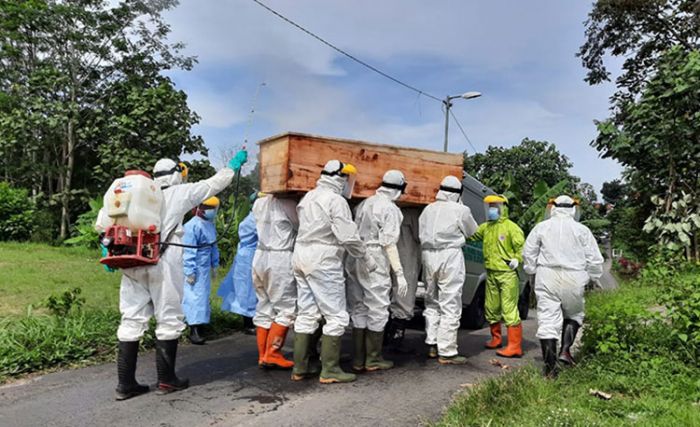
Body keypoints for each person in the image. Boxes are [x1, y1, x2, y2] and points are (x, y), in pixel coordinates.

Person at [109, 149, 247, 401]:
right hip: (163, 262)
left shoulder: (132, 194)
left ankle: (125, 384)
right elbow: (212, 184)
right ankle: (166, 379)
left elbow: (104, 223)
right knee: (169, 317)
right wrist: (233, 167)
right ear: (175, 175)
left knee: (131, 319)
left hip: (130, 260)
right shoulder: (179, 192)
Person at [291, 159, 377, 384]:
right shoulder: (336, 201)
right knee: (337, 315)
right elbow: (348, 236)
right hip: (323, 258)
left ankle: (301, 367)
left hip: (300, 254)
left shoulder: (308, 197)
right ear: (341, 178)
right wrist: (366, 257)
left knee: (307, 313)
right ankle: (330, 369)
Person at [523, 195, 604, 377]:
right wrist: (591, 277)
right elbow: (595, 259)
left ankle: (550, 371)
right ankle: (565, 351)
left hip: (547, 275)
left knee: (547, 321)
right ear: (572, 209)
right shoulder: (582, 230)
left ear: (553, 208)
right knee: (574, 314)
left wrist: (531, 270)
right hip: (574, 276)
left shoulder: (541, 228)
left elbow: (528, 253)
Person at [346, 170, 409, 373]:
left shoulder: (364, 204)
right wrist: (399, 273)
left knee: (359, 306)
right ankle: (373, 358)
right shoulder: (390, 209)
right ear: (399, 189)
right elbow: (389, 244)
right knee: (378, 306)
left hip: (357, 256)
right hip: (376, 257)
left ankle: (358, 359)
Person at [419, 175, 478, 365]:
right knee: (450, 302)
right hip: (450, 255)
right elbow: (472, 231)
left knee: (431, 301)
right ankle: (447, 351)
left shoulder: (428, 209)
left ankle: (431, 344)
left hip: (428, 255)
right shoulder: (461, 210)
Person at [469, 194, 525, 358]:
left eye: (496, 206)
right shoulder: (486, 227)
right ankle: (496, 339)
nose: (492, 209)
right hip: (491, 273)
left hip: (507, 274)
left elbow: (522, 248)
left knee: (508, 308)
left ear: (504, 208)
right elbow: (471, 235)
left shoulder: (511, 227)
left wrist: (517, 259)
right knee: (491, 308)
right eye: (490, 206)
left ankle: (515, 346)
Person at [252, 193, 299, 369]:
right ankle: (273, 353)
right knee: (287, 309)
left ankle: (263, 355)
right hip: (279, 258)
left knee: (264, 307)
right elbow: (300, 226)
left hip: (259, 256)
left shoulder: (258, 202)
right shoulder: (288, 203)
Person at [218, 194, 259, 335]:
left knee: (247, 290)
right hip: (248, 257)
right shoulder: (254, 220)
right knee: (247, 291)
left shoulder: (251, 218)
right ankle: (248, 323)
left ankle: (251, 320)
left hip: (246, 256)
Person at [182, 196, 221, 345]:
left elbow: (214, 246)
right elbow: (189, 250)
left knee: (202, 297)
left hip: (204, 268)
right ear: (199, 208)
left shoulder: (209, 224)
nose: (211, 211)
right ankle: (194, 329)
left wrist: (214, 265)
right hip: (195, 266)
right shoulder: (191, 226)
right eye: (208, 208)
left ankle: (200, 325)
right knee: (193, 297)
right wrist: (189, 271)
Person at [385, 207, 422, 350]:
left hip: (384, 255)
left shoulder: (381, 206)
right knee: (404, 297)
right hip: (405, 256)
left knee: (383, 297)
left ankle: (382, 339)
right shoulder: (413, 212)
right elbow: (420, 235)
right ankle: (395, 340)